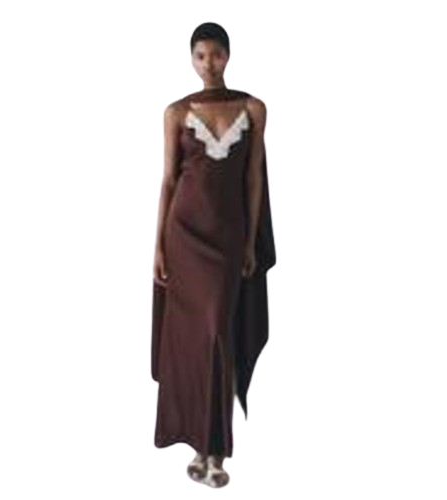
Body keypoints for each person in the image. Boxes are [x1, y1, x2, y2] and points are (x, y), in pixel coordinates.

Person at [151, 21, 274, 490]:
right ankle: (204, 451)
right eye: (200, 56)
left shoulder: (254, 107)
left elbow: (255, 178)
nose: (209, 63)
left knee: (217, 333)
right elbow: (168, 180)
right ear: (190, 60)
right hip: (184, 237)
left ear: (229, 56)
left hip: (227, 239)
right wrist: (158, 245)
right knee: (196, 341)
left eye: (216, 54)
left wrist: (250, 241)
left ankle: (215, 450)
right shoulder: (176, 111)